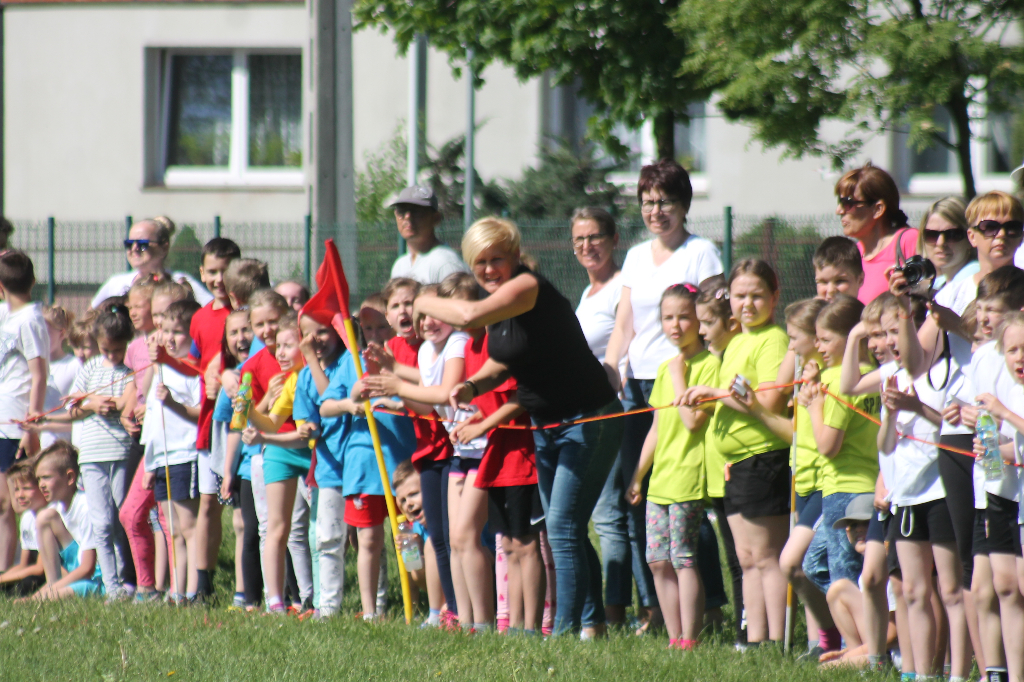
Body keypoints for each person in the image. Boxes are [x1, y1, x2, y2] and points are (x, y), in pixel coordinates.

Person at [412, 216, 624, 636]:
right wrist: (472, 384)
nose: (489, 270)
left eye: (496, 260)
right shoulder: (504, 307)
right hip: (547, 426)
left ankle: (563, 637)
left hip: (589, 420)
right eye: (479, 264)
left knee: (562, 528)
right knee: (567, 530)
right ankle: (592, 623)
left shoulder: (527, 288)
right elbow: (504, 361)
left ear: (514, 256)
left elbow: (469, 314)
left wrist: (421, 300)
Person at [603, 160, 723, 632]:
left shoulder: (701, 252)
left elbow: (714, 316)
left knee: (690, 507)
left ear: (684, 205)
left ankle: (711, 604)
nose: (656, 211)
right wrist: (612, 372)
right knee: (642, 500)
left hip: (688, 382)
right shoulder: (634, 257)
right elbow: (625, 324)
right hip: (641, 389)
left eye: (665, 202)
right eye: (648, 202)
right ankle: (656, 608)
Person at [683, 259, 790, 645]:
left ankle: (775, 640)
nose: (747, 304)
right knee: (746, 560)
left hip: (762, 457)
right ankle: (754, 639)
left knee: (765, 557)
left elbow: (770, 401)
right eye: (741, 296)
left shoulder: (772, 339)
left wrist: (716, 395)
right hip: (737, 463)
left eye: (757, 295)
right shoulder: (739, 341)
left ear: (774, 297)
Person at [626, 283, 719, 650]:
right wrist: (637, 474)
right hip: (660, 480)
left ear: (700, 320)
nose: (676, 325)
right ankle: (674, 636)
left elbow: (693, 421)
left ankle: (690, 639)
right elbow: (658, 425)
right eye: (668, 318)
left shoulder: (709, 365)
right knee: (656, 560)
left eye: (684, 316)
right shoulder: (667, 368)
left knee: (682, 557)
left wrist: (681, 377)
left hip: (689, 477)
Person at [570, 206, 634, 625]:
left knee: (609, 514)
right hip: (586, 408)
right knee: (602, 514)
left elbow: (621, 344)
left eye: (595, 237)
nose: (587, 246)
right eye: (579, 240)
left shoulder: (619, 287)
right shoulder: (588, 292)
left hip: (616, 406)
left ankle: (613, 614)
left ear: (613, 239)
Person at [60, 302, 135, 600]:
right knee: (101, 521)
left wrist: (94, 399)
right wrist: (90, 404)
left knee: (120, 519)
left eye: (116, 350)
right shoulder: (90, 368)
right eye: (106, 350)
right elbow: (71, 407)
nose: (111, 356)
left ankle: (126, 579)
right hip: (91, 455)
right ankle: (112, 587)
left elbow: (124, 403)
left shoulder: (130, 372)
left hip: (121, 452)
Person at [243, 313, 315, 615]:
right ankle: (275, 601)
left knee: (317, 530)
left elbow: (300, 434)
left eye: (288, 346)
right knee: (276, 527)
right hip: (282, 453)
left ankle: (318, 597)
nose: (280, 353)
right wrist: (246, 408)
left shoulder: (311, 377)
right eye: (278, 347)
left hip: (310, 454)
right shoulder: (290, 382)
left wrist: (262, 436)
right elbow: (271, 423)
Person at [972, 311, 1024, 682]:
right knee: (1008, 587)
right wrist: (988, 448)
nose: (1019, 356)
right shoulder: (999, 386)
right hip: (1008, 500)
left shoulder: (1007, 401)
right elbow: (996, 463)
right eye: (1012, 350)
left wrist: (1004, 415)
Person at [141, 299, 203, 603]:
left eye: (177, 331)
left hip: (184, 455)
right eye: (164, 330)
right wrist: (149, 463)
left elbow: (200, 411)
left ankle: (193, 590)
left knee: (188, 528)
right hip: (163, 457)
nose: (169, 338)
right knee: (172, 530)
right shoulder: (160, 370)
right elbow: (153, 421)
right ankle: (177, 590)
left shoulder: (192, 371)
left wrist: (174, 404)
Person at [0, 250, 49, 572]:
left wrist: (31, 425)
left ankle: (22, 568)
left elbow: (39, 373)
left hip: (16, 424)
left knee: (15, 501)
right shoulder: (7, 313)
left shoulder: (30, 319)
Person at [833, 163, 916, 304]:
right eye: (839, 202)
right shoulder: (854, 254)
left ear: (878, 209)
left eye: (847, 203)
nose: (839, 211)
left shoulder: (908, 241)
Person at [31, 441, 104, 600]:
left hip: (96, 580)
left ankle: (51, 593)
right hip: (76, 572)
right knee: (44, 517)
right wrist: (50, 588)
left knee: (52, 597)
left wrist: (42, 595)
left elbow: (87, 568)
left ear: (70, 477)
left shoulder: (86, 506)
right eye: (38, 479)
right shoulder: (55, 508)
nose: (41, 485)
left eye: (46, 477)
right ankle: (52, 584)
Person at [91, 217, 212, 308]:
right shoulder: (115, 283)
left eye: (142, 244)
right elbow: (90, 317)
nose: (134, 249)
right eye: (129, 244)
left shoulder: (180, 281)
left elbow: (211, 308)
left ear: (164, 247)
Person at [389, 185, 470, 284]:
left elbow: (459, 299)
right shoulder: (400, 265)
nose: (408, 216)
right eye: (401, 211)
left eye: (416, 211)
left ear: (436, 218)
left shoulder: (445, 262)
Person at [0, 458, 47, 596]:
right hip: (32, 572)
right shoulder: (27, 517)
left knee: (26, 584)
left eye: (26, 488)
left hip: (46, 576)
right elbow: (24, 564)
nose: (20, 495)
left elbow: (40, 569)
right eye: (16, 489)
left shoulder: (49, 517)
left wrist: (2, 579)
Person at [813, 237, 865, 302]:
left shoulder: (868, 312)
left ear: (860, 280)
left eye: (840, 281)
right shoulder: (809, 311)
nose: (830, 290)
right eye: (823, 282)